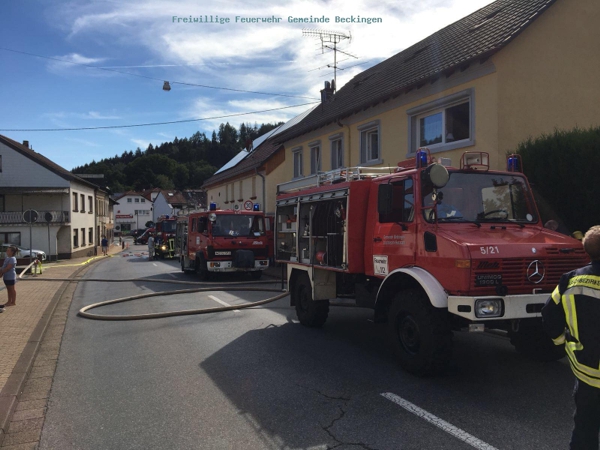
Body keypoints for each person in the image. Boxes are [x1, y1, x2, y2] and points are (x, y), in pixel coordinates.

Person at [542, 225, 600, 450]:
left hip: (585, 372)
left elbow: (549, 314)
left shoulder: (570, 280)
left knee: (584, 429)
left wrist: (560, 342)